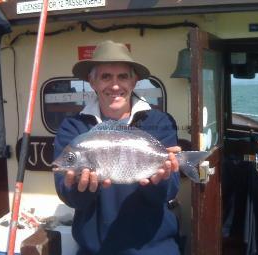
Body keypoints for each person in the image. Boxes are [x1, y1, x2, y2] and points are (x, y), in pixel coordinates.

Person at [54, 40, 181, 255]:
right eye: (105, 77)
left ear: (134, 81)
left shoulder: (159, 122)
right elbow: (68, 195)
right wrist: (77, 188)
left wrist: (159, 181)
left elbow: (169, 191)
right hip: (96, 249)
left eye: (123, 76)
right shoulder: (73, 127)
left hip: (154, 247)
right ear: (92, 82)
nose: (115, 85)